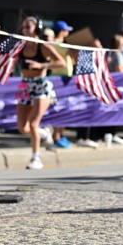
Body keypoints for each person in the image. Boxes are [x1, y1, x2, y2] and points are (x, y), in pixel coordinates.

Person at [15, 17, 66, 169]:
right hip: (25, 85)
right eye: (23, 27)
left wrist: (42, 65)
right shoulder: (21, 45)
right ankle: (44, 133)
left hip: (40, 85)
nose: (25, 30)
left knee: (33, 124)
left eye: (28, 27)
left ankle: (35, 158)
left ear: (36, 28)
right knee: (22, 127)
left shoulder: (42, 46)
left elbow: (61, 62)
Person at [49, 20, 75, 149]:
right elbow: (71, 52)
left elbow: (72, 59)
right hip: (59, 80)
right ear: (61, 31)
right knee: (59, 108)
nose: (68, 33)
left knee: (64, 108)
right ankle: (56, 137)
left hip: (66, 79)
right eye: (66, 30)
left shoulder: (62, 44)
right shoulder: (57, 43)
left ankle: (61, 135)